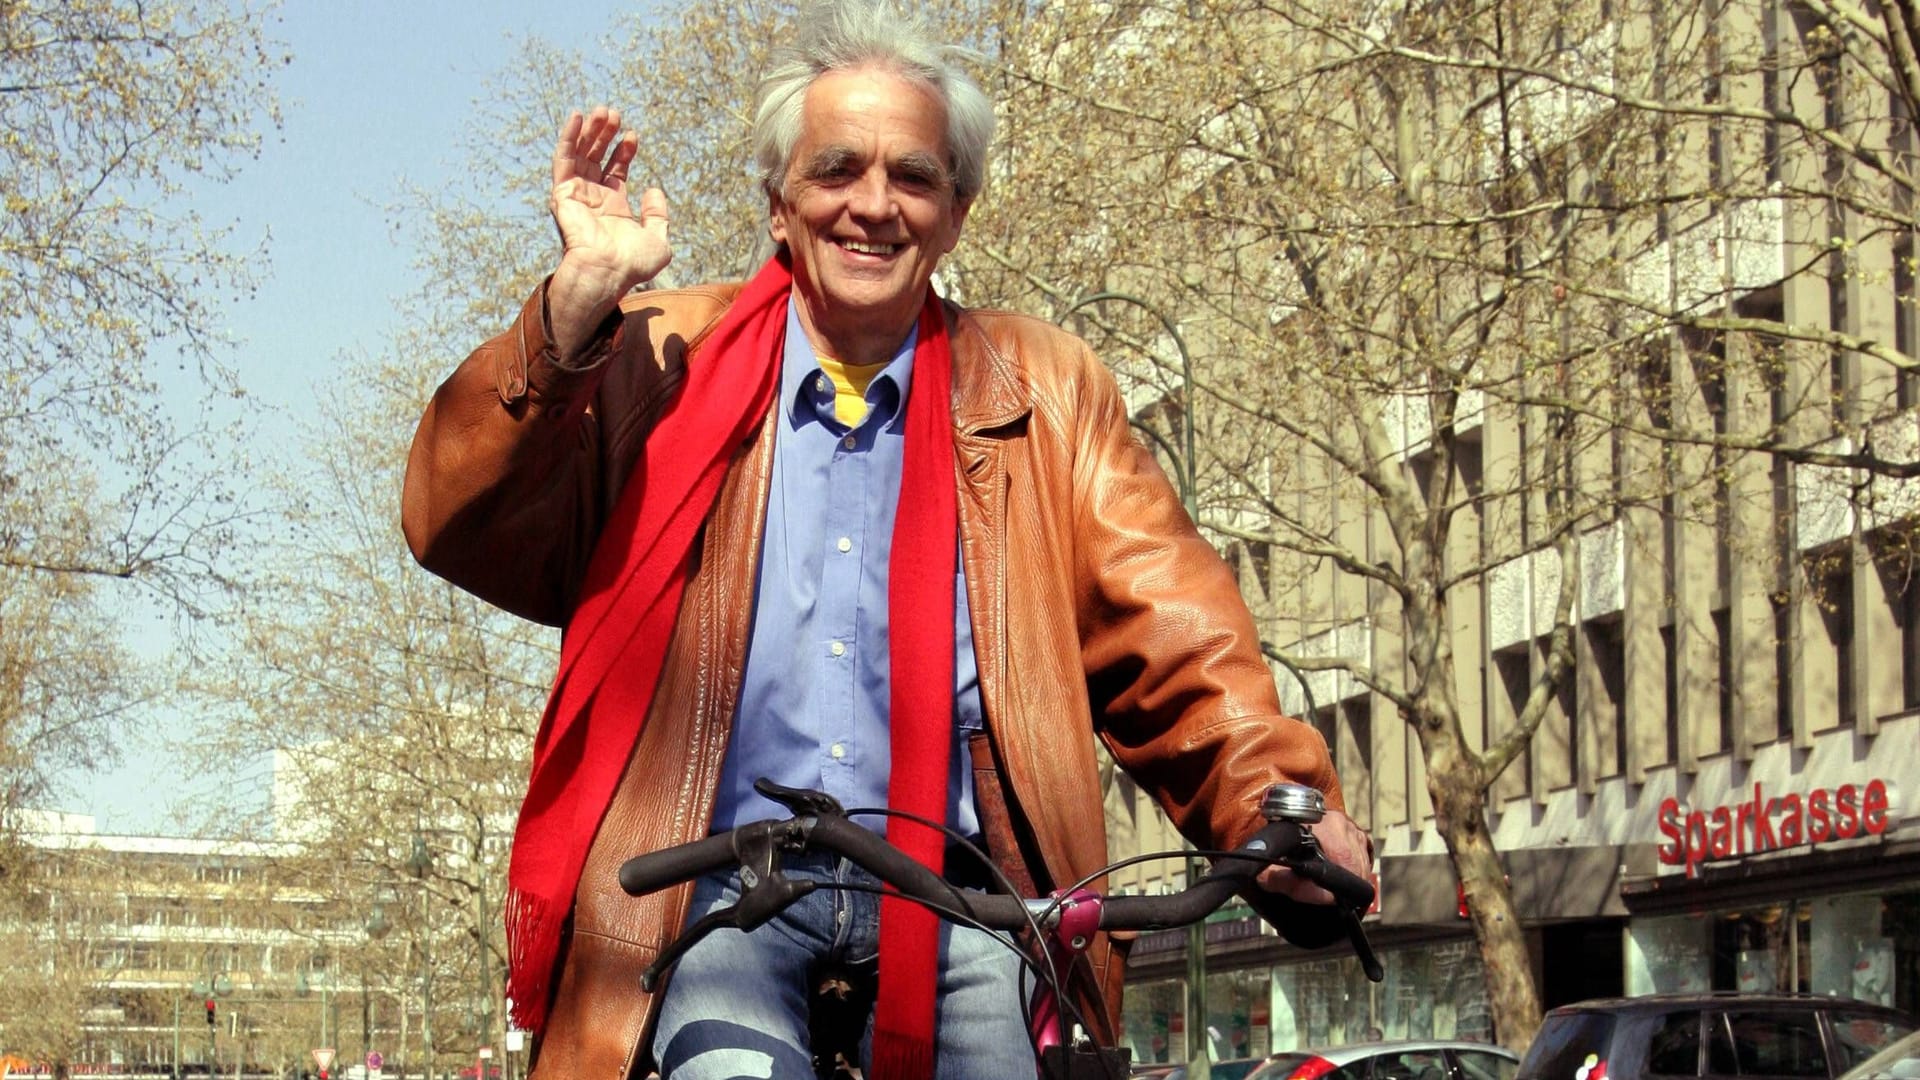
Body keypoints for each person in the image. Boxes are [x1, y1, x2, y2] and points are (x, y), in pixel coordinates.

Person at [400, 2, 1374, 1077]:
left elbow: (1177, 636)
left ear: (956, 212)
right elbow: (458, 521)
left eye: (913, 176)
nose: (874, 205)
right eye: (836, 170)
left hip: (962, 891)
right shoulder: (658, 358)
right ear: (780, 205)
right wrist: (573, 310)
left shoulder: (1045, 391)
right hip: (722, 891)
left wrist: (1280, 806)